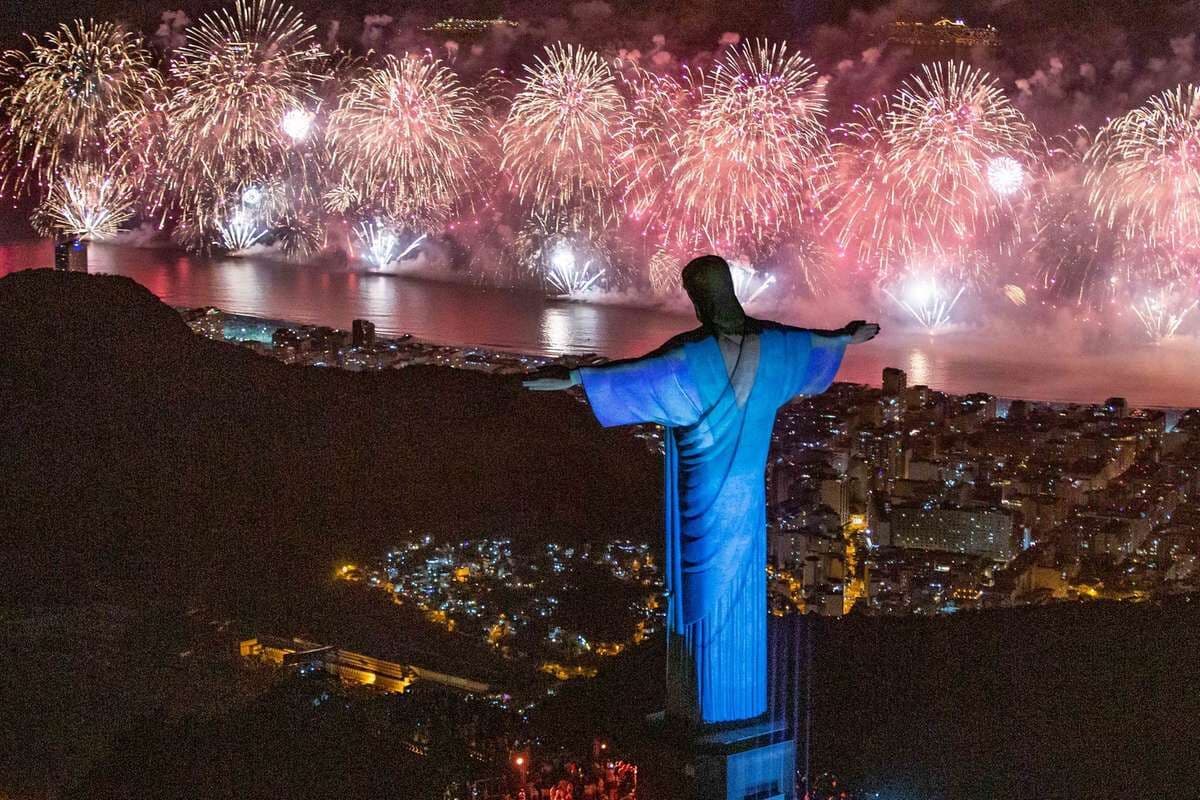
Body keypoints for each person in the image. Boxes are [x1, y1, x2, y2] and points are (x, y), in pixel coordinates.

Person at [524, 255, 878, 725]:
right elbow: (815, 344)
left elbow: (625, 376)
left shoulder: (689, 359)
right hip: (747, 499)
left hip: (703, 496)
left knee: (698, 587)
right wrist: (847, 338)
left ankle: (699, 709)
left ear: (697, 297)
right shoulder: (773, 346)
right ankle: (730, 705)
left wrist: (570, 378)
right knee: (735, 588)